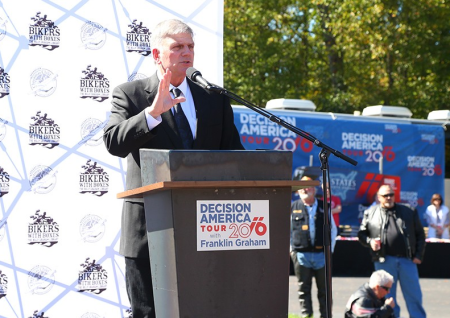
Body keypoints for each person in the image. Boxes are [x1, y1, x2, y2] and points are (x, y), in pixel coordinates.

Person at [103, 19, 244, 318]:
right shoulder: (131, 95)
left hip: (205, 230)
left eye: (190, 46)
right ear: (157, 54)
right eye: (177, 46)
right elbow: (113, 142)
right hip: (148, 232)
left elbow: (234, 155)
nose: (186, 52)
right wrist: (153, 113)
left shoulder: (213, 99)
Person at [358, 184, 426, 318]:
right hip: (384, 261)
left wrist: (418, 255)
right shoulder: (370, 213)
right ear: (379, 197)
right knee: (387, 298)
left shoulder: (409, 211)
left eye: (391, 194)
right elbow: (361, 234)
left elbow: (420, 235)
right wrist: (370, 242)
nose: (389, 197)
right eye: (385, 195)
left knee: (414, 296)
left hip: (407, 260)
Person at [290, 176, 337, 318]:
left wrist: (330, 250)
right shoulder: (292, 207)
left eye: (308, 186)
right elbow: (286, 230)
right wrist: (291, 250)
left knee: (324, 290)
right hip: (301, 254)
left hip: (321, 255)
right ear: (297, 191)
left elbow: (333, 230)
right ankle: (307, 316)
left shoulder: (325, 206)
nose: (305, 189)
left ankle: (326, 315)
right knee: (303, 289)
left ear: (314, 189)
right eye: (302, 187)